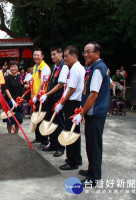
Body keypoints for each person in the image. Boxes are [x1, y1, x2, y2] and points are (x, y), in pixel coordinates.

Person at [73, 41, 110, 187]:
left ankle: (94, 177)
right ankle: (91, 170)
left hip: (95, 113)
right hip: (93, 113)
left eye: (89, 51)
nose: (86, 55)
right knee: (90, 144)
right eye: (84, 52)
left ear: (97, 53)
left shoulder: (97, 69)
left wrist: (81, 113)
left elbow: (93, 95)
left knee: (94, 145)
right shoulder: (95, 68)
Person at [54, 45, 85, 170]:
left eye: (66, 56)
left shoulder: (75, 69)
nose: (65, 59)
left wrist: (62, 102)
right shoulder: (77, 68)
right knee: (74, 132)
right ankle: (76, 158)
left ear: (74, 55)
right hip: (74, 103)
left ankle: (72, 161)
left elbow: (71, 88)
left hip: (73, 103)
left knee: (70, 132)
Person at [39, 46, 69, 157]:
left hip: (58, 99)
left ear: (61, 54)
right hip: (51, 99)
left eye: (54, 54)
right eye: (51, 54)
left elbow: (60, 85)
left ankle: (60, 148)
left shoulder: (64, 66)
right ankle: (53, 144)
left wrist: (46, 94)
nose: (52, 56)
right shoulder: (54, 66)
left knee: (59, 123)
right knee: (50, 121)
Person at [31, 48, 51, 148]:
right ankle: (38, 137)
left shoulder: (45, 67)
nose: (36, 57)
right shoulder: (35, 66)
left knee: (43, 118)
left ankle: (44, 141)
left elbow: (43, 82)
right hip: (35, 98)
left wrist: (36, 95)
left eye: (38, 55)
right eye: (34, 55)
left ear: (42, 56)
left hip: (42, 98)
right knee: (36, 118)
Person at [3, 60, 28, 133]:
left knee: (18, 119)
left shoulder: (19, 77)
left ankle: (16, 133)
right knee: (10, 119)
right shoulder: (7, 77)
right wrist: (11, 100)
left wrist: (30, 85)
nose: (13, 68)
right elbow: (6, 89)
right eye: (11, 67)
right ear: (9, 68)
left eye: (15, 66)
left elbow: (22, 86)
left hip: (18, 101)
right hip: (10, 101)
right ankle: (9, 134)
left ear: (17, 68)